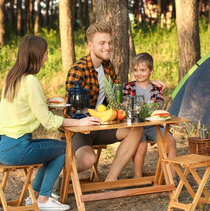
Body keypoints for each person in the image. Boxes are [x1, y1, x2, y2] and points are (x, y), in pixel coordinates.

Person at [0, 35, 102, 211]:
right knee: (61, 149)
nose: (47, 57)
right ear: (37, 56)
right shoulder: (30, 81)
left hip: (1, 146)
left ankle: (34, 196)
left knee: (50, 150)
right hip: (16, 147)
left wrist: (46, 106)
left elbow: (24, 109)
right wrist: (80, 123)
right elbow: (48, 122)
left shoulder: (13, 77)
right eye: (46, 53)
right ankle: (44, 198)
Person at [65, 22, 169, 182]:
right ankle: (56, 177)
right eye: (102, 43)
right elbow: (71, 110)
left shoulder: (107, 66)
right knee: (88, 160)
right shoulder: (78, 70)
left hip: (103, 127)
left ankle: (110, 180)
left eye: (109, 42)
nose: (108, 47)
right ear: (90, 45)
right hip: (81, 130)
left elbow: (121, 91)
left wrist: (148, 81)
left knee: (136, 130)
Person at [123, 53, 177, 179]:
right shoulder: (128, 87)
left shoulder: (156, 89)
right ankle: (138, 178)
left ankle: (172, 177)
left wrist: (141, 109)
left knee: (171, 140)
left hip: (153, 126)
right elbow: (125, 107)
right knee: (141, 145)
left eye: (143, 70)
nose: (138, 73)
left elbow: (157, 107)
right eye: (136, 70)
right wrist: (145, 109)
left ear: (151, 71)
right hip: (136, 127)